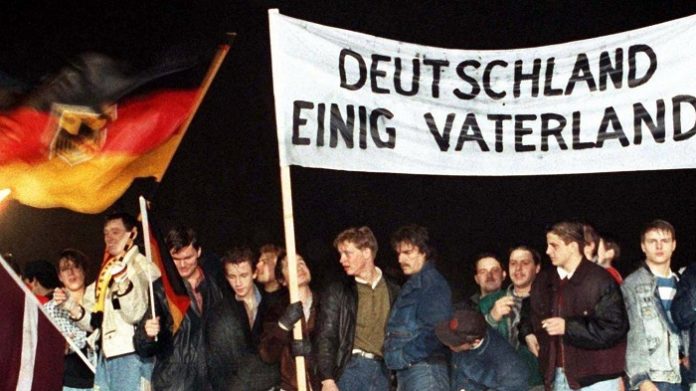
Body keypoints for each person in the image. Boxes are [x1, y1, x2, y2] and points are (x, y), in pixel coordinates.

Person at [55, 211, 160, 391]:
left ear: (132, 234)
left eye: (115, 232)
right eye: (106, 233)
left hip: (130, 355)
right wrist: (70, 305)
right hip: (106, 357)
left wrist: (123, 282)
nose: (109, 238)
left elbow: (134, 314)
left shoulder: (142, 266)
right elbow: (95, 323)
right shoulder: (108, 271)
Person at [528, 221, 627, 390]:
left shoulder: (600, 280)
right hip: (558, 377)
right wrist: (527, 331)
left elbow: (615, 328)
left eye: (554, 246)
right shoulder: (544, 280)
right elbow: (530, 310)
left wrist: (568, 327)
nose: (547, 251)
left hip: (598, 380)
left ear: (573, 246)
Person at [133, 226, 224, 390]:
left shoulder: (217, 284)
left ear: (199, 252)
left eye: (188, 257)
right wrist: (146, 334)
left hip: (213, 382)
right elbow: (143, 349)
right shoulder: (161, 290)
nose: (182, 265)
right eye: (175, 259)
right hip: (175, 383)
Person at [316, 226, 399, 391]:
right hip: (351, 369)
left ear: (366, 252)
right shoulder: (339, 290)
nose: (341, 259)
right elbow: (326, 335)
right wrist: (327, 379)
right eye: (340, 254)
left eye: (347, 253)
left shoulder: (394, 289)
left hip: (384, 372)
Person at [385, 224, 452, 391]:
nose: (400, 259)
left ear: (424, 252)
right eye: (399, 253)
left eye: (407, 253)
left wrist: (403, 356)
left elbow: (438, 330)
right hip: (413, 371)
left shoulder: (431, 283)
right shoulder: (415, 284)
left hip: (425, 371)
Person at [204, 247, 279, 391]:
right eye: (232, 277)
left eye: (243, 275)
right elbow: (218, 367)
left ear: (255, 273)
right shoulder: (219, 313)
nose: (238, 283)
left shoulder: (272, 305)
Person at [622, 219, 683, 391]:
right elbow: (632, 335)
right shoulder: (632, 285)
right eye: (652, 241)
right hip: (652, 379)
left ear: (674, 245)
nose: (659, 246)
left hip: (681, 376)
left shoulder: (683, 284)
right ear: (643, 246)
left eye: (664, 241)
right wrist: (641, 379)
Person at [259, 251, 321, 391]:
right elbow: (267, 354)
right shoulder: (276, 312)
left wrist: (312, 353)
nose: (299, 267)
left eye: (301, 262)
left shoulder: (325, 304)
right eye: (290, 265)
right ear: (282, 280)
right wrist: (284, 325)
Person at [486, 245, 543, 389]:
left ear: (537, 268)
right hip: (498, 383)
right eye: (513, 263)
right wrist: (492, 317)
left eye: (524, 263)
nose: (518, 269)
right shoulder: (489, 302)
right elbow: (472, 342)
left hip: (536, 383)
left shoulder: (549, 301)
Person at [436, 308, 529, 391]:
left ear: (475, 342)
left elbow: (515, 386)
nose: (449, 346)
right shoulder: (468, 328)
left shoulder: (509, 365)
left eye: (453, 344)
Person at [46, 249, 96, 390]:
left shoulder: (99, 300)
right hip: (69, 382)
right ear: (60, 276)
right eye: (65, 269)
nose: (71, 272)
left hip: (102, 377)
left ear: (84, 270)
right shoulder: (51, 309)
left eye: (75, 266)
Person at [470, 253, 507, 334]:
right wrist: (491, 319)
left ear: (503, 275)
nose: (489, 275)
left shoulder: (516, 301)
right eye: (483, 272)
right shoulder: (466, 308)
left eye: (495, 270)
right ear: (477, 279)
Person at [256, 244, 288, 309]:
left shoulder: (288, 300)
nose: (258, 265)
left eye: (265, 262)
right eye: (259, 261)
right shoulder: (255, 296)